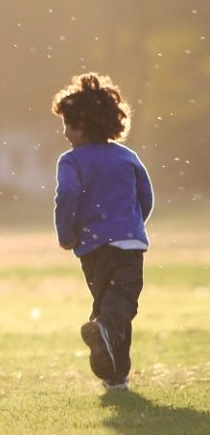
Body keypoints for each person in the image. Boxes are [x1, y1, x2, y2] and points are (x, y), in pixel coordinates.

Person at [52, 73, 153, 391]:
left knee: (107, 303)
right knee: (121, 303)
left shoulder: (71, 162)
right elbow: (145, 197)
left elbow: (66, 195)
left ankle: (115, 377)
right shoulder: (127, 157)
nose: (66, 133)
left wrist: (66, 233)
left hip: (92, 249)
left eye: (70, 126)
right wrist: (133, 225)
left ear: (85, 125)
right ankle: (108, 343)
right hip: (127, 244)